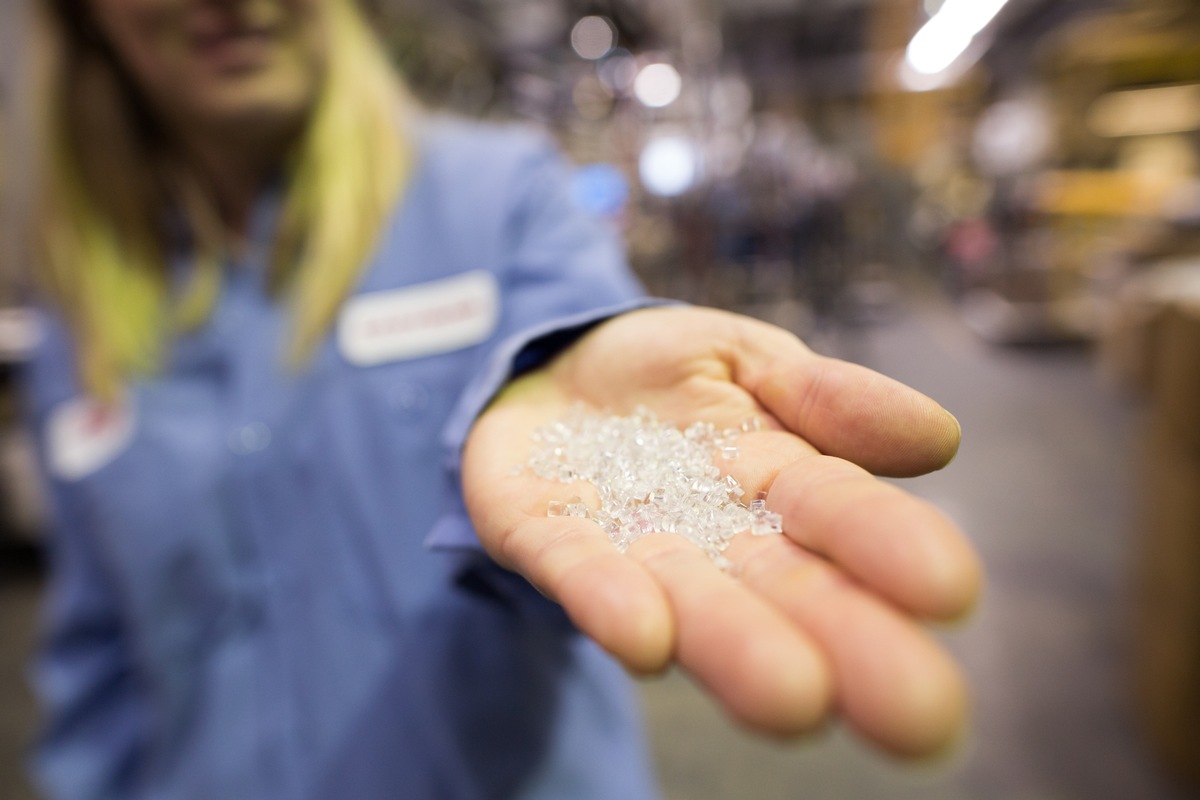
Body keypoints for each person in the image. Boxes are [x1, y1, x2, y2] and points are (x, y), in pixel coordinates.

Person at [20, 0, 982, 798]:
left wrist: (561, 374)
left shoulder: (501, 198)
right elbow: (99, 660)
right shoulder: (77, 310)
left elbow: (583, 339)